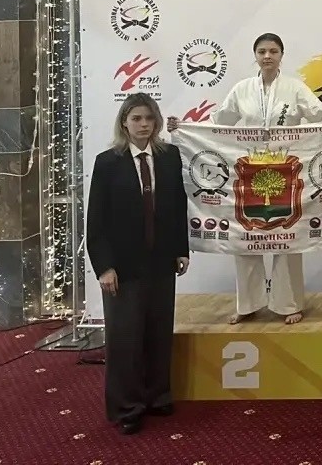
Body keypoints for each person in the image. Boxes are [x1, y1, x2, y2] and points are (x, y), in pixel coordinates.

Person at [167, 32, 322, 325]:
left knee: (287, 237)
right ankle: (248, 303)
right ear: (255, 55)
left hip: (287, 171)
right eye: (262, 51)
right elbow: (217, 125)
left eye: (273, 51)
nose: (267, 56)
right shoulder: (241, 90)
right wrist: (185, 128)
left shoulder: (295, 88)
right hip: (249, 171)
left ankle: (289, 303)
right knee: (246, 238)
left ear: (281, 55)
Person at [86, 93, 189, 436]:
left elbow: (177, 205)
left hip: (161, 261)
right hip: (122, 266)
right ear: (124, 123)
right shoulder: (107, 162)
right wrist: (104, 267)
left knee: (158, 331)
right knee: (125, 338)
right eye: (137, 119)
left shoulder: (169, 156)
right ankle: (127, 407)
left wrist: (181, 249)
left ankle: (158, 396)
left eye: (149, 118)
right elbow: (96, 219)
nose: (144, 125)